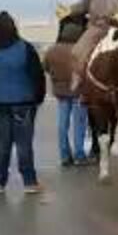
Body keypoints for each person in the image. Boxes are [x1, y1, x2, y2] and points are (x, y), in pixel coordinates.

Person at [0, 12, 46, 194]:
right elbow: (37, 76)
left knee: (2, 143)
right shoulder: (26, 49)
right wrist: (38, 98)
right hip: (23, 101)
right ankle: (29, 182)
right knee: (24, 143)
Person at [44, 20, 91, 167]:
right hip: (79, 91)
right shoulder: (82, 51)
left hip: (60, 92)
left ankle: (64, 155)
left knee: (62, 124)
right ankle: (79, 154)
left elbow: (45, 67)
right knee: (80, 123)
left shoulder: (52, 50)